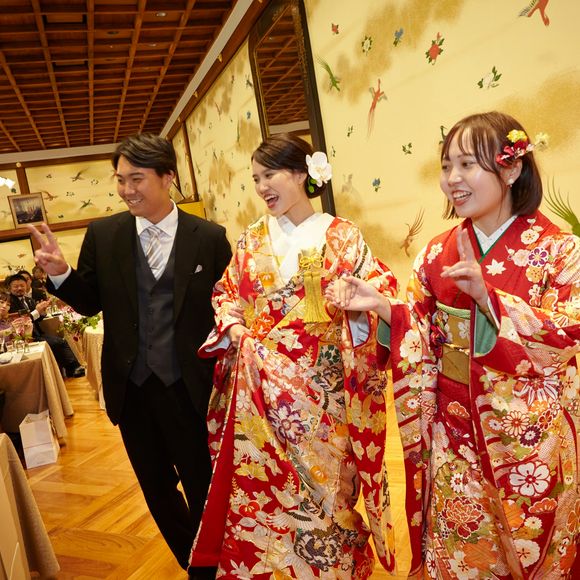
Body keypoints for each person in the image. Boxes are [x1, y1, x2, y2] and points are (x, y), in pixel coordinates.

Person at [326, 112, 580, 578]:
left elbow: (567, 332)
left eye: (467, 165)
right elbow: (419, 330)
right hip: (452, 432)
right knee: (461, 547)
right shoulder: (435, 252)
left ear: (511, 168)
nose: (452, 179)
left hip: (527, 438)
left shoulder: (560, 252)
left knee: (535, 549)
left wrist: (490, 299)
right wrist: (384, 308)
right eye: (446, 166)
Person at [188, 133, 398, 578]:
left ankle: (332, 568)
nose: (262, 187)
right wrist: (236, 328)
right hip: (260, 391)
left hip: (323, 392)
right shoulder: (251, 239)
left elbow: (381, 292)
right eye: (255, 179)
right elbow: (226, 294)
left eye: (270, 175)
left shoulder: (343, 236)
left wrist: (357, 303)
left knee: (329, 490)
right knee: (264, 488)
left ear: (302, 173)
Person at [28, 133, 232, 579]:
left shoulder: (209, 238)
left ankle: (216, 564)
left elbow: (227, 306)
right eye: (120, 179)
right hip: (132, 389)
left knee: (203, 485)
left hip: (191, 389)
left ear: (168, 177)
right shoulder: (105, 235)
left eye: (136, 179)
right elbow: (89, 302)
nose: (126, 190)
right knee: (157, 491)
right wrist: (61, 274)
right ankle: (195, 565)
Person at [7, 273, 85, 377]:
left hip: (37, 333)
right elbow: (21, 322)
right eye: (16, 286)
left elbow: (37, 318)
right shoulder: (10, 303)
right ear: (9, 288)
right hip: (25, 337)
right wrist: (37, 311)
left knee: (60, 340)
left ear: (27, 286)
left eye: (22, 285)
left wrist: (42, 312)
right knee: (57, 342)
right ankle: (72, 368)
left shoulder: (28, 300)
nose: (19, 288)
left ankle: (74, 368)